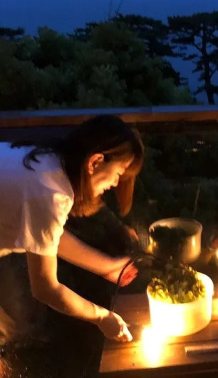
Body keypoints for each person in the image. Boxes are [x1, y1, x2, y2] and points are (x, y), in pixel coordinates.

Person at [0, 115, 144, 344]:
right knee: (7, 329)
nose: (116, 183)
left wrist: (106, 266)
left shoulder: (48, 162)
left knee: (8, 327)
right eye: (118, 173)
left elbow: (47, 236)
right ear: (95, 162)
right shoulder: (50, 193)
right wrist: (101, 316)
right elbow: (46, 288)